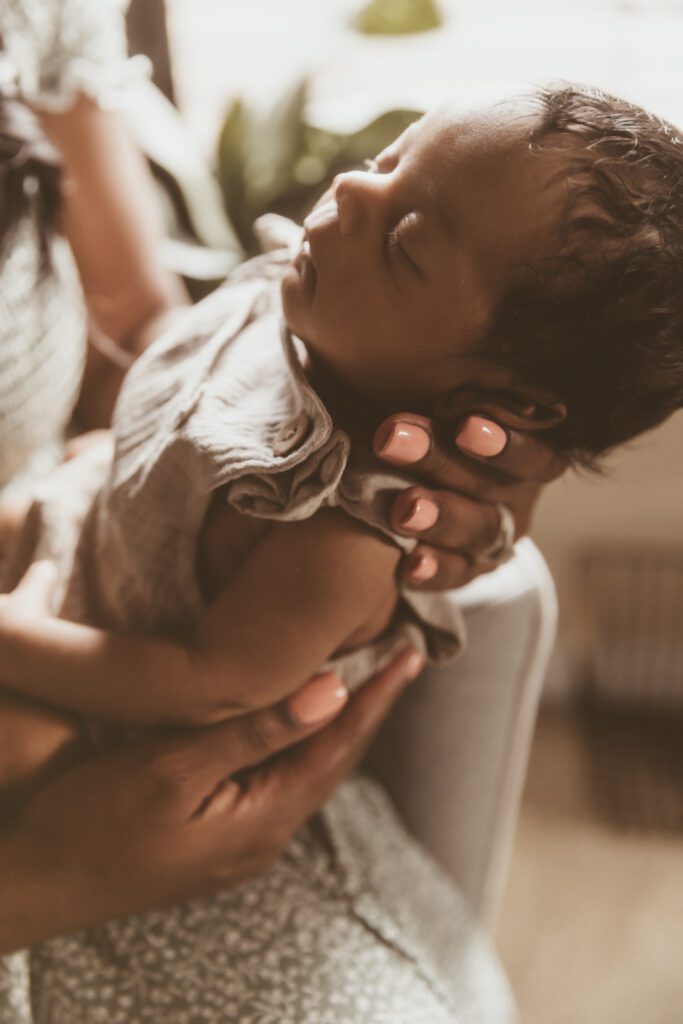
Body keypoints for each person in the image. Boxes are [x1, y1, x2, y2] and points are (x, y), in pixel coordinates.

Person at [1, 81, 682, 1022]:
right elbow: (166, 406)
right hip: (81, 538)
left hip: (140, 719)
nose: (352, 195)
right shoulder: (303, 313)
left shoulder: (337, 526)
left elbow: (206, 684)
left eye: (404, 243)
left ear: (512, 406)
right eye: (386, 159)